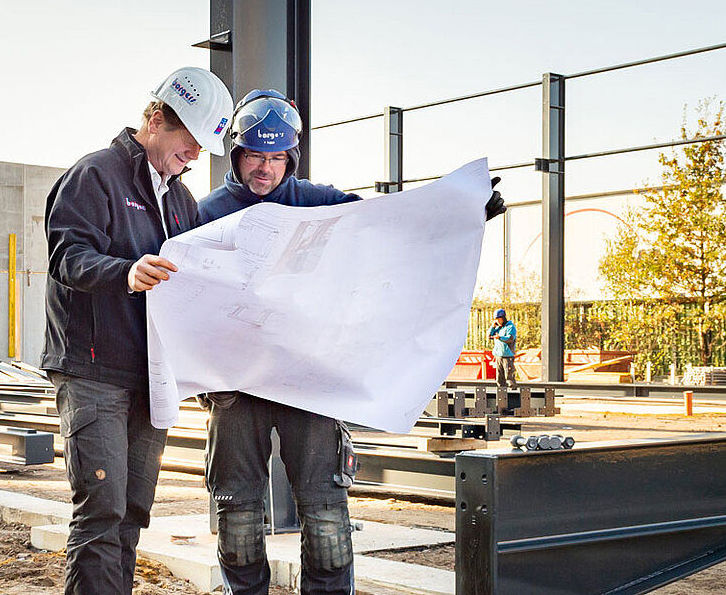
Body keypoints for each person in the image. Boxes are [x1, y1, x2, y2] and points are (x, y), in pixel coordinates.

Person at [194, 89, 504, 595]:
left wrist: (463, 213)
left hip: (309, 377)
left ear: (291, 157)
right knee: (237, 509)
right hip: (235, 384)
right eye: (254, 155)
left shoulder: (318, 203)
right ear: (236, 153)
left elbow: (390, 228)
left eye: (276, 158)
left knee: (324, 511)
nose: (265, 169)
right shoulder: (206, 214)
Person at [42, 67, 233, 595]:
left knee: (131, 511)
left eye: (200, 148)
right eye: (188, 142)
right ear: (155, 120)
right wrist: (124, 272)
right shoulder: (96, 176)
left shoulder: (181, 201)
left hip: (151, 377)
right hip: (94, 369)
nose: (194, 156)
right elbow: (67, 256)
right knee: (101, 509)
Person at [489, 309, 518, 388]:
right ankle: (501, 393)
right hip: (498, 356)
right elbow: (489, 336)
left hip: (507, 356)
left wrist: (500, 337)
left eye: (499, 319)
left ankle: (512, 392)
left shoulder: (510, 327)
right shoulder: (498, 328)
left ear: (503, 318)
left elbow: (510, 339)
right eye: (496, 319)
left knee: (509, 377)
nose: (497, 321)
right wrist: (492, 327)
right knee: (499, 378)